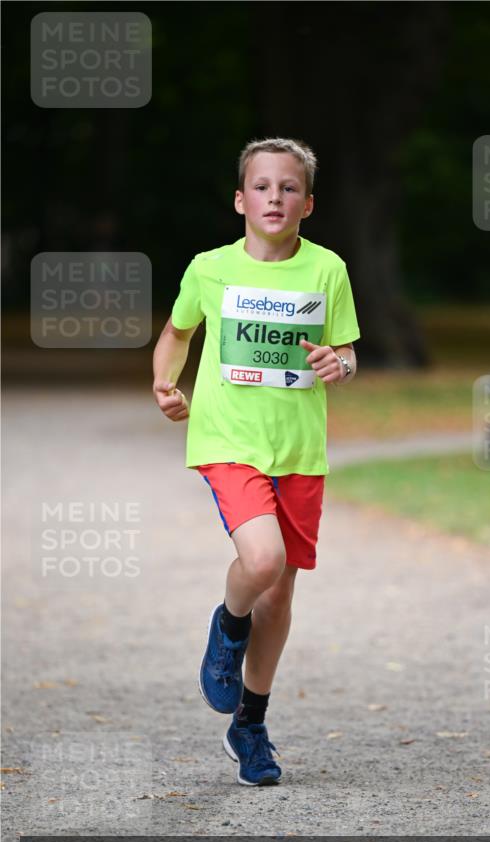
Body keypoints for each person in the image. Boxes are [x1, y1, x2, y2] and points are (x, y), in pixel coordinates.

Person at [152, 138, 361, 786]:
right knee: (262, 562)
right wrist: (165, 382)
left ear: (307, 204)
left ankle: (250, 724)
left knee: (281, 591)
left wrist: (339, 363)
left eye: (289, 187)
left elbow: (346, 352)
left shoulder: (327, 269)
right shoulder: (210, 268)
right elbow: (178, 333)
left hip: (298, 449)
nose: (276, 197)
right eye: (263, 187)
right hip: (229, 442)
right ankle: (227, 624)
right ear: (241, 200)